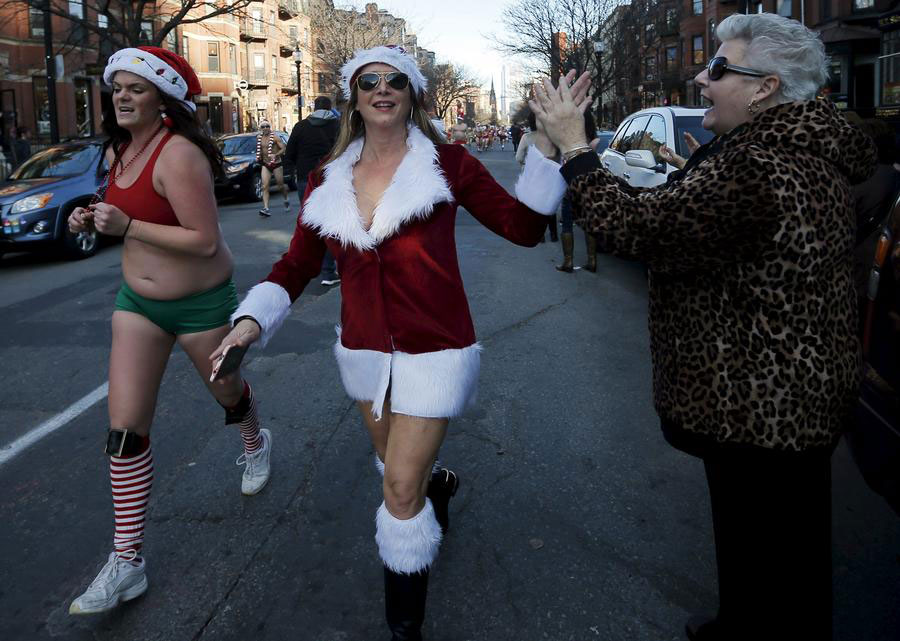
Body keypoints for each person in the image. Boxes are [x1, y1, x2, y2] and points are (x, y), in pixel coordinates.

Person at [531, 13, 876, 641]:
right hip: (795, 395)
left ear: (766, 87)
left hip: (759, 403)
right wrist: (698, 175)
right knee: (776, 551)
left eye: (719, 68)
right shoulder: (785, 150)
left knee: (772, 555)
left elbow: (633, 228)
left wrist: (577, 150)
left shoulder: (759, 166)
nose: (701, 75)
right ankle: (742, 620)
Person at [211, 45, 566, 641]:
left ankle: (405, 628)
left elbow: (524, 229)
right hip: (366, 355)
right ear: (353, 94)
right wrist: (250, 321)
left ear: (413, 93)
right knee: (399, 472)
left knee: (398, 491)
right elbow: (298, 263)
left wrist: (552, 148)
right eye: (368, 80)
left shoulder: (449, 163)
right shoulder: (327, 178)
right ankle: (440, 487)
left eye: (395, 79)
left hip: (436, 350)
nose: (382, 87)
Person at [66, 46, 272, 615]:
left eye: (137, 88)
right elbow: (125, 206)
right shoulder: (118, 150)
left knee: (227, 393)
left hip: (201, 304)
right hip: (138, 303)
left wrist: (128, 224)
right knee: (125, 428)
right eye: (118, 88)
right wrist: (95, 213)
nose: (123, 96)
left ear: (163, 99)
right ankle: (127, 561)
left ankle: (254, 437)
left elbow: (204, 239)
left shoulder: (179, 154)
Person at [284, 96, 341, 285]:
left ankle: (314, 267)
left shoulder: (300, 127)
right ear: (330, 108)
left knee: (312, 223)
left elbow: (289, 154)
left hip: (305, 179)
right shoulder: (338, 126)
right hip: (332, 178)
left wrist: (288, 175)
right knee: (335, 222)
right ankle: (330, 270)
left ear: (314, 108)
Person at [517, 112, 558, 243]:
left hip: (532, 174)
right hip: (548, 174)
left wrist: (526, 163)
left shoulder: (526, 137)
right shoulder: (552, 137)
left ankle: (540, 235)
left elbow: (518, 157)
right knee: (549, 203)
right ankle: (554, 234)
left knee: (535, 204)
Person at [256, 120, 289, 217]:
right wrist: (259, 156)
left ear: (270, 127)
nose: (265, 128)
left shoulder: (275, 137)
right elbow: (260, 150)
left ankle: (286, 198)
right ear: (260, 128)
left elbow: (283, 148)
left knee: (280, 185)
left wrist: (276, 154)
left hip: (276, 163)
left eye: (267, 126)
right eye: (263, 126)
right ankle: (266, 208)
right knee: (264, 186)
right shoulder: (259, 138)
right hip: (265, 164)